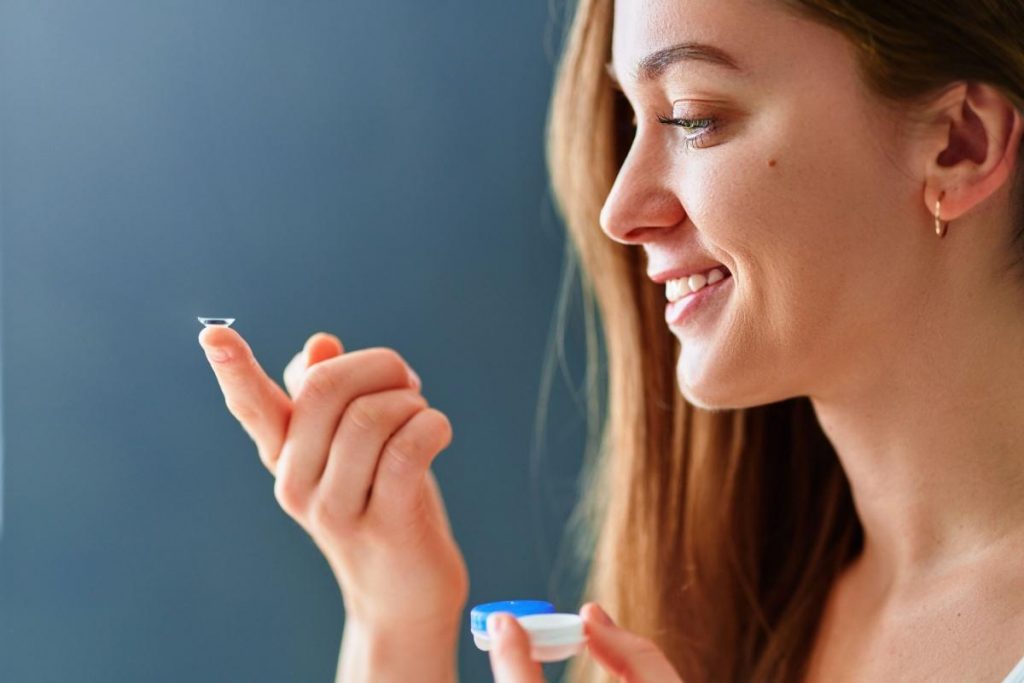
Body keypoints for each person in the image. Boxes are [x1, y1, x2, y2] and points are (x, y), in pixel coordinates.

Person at [198, 0, 1024, 680]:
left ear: (961, 144)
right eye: (632, 120)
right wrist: (394, 614)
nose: (620, 211)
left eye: (694, 118)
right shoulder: (728, 615)